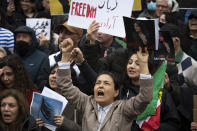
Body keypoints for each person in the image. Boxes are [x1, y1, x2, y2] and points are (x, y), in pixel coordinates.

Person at [56, 38, 153, 131]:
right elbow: (65, 86)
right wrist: (65, 56)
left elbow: (145, 98)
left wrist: (144, 66)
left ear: (116, 92)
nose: (100, 86)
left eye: (106, 83)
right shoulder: (86, 103)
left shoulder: (124, 109)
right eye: (98, 83)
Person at [119, 49, 180, 131]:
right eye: (130, 63)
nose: (131, 66)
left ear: (147, 68)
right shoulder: (120, 91)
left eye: (137, 64)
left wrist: (151, 128)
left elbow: (173, 124)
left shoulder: (160, 93)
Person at [37, 21, 84, 91]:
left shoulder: (83, 62)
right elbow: (41, 82)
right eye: (61, 32)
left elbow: (84, 87)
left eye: (68, 33)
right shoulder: (50, 59)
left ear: (78, 38)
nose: (62, 36)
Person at [36, 64, 82, 131]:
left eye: (59, 74)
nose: (54, 76)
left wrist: (65, 123)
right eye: (52, 73)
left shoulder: (78, 101)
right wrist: (37, 125)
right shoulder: (42, 98)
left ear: (69, 79)